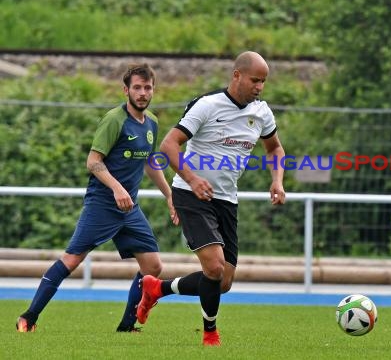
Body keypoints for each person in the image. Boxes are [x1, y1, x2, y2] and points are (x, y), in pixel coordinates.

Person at [135, 51, 286, 346]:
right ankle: (210, 334)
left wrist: (277, 180)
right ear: (237, 75)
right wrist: (192, 178)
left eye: (264, 82)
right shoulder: (207, 105)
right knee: (214, 268)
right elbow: (169, 145)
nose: (259, 87)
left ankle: (157, 289)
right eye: (255, 80)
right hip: (190, 193)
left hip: (226, 200)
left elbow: (274, 149)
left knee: (224, 282)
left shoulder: (262, 112)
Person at [16, 63, 178, 333]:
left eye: (147, 87)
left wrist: (170, 194)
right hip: (103, 203)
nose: (142, 93)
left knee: (152, 266)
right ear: (126, 90)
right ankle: (28, 317)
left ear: (153, 90)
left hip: (129, 208)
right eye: (137, 87)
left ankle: (126, 327)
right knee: (72, 260)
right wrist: (116, 187)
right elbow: (93, 162)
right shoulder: (114, 119)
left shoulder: (151, 122)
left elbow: (150, 162)